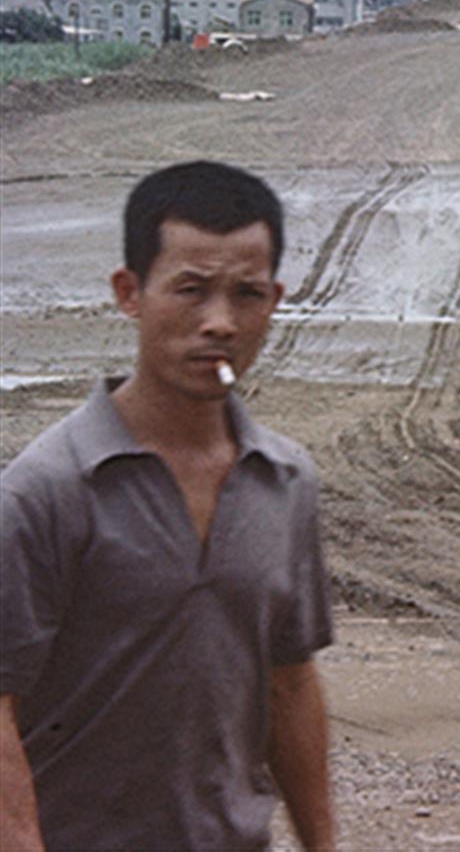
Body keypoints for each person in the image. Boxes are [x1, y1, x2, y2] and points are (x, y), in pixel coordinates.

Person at [0, 162, 336, 852]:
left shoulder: (286, 483)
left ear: (274, 300)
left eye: (246, 294)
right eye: (190, 290)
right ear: (130, 293)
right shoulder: (47, 491)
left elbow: (292, 683)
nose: (219, 323)